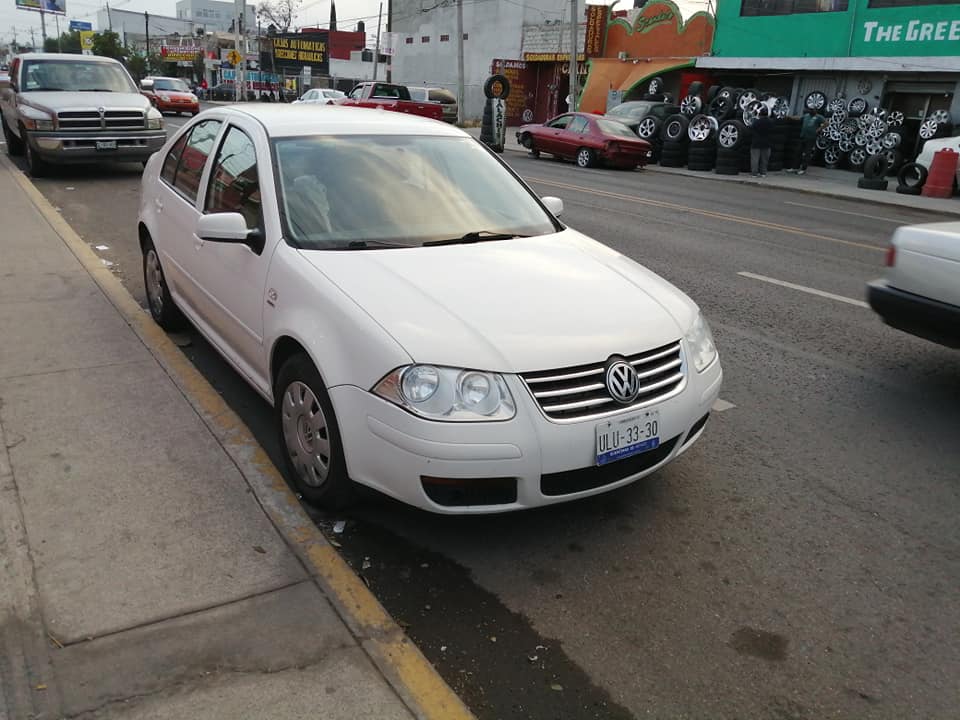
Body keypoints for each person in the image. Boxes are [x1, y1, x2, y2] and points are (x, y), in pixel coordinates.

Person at [791, 107, 825, 175]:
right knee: (798, 152)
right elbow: (799, 118)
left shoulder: (819, 117)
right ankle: (795, 168)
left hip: (811, 138)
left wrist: (819, 129)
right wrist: (790, 117)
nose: (811, 111)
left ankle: (803, 169)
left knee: (807, 154)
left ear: (816, 110)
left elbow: (826, 123)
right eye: (810, 109)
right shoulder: (806, 115)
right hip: (803, 136)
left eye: (813, 109)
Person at [750, 106, 773, 178]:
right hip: (767, 143)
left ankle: (754, 173)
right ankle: (763, 173)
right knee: (765, 159)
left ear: (760, 114)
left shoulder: (756, 122)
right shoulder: (770, 122)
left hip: (756, 142)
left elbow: (751, 128)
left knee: (755, 159)